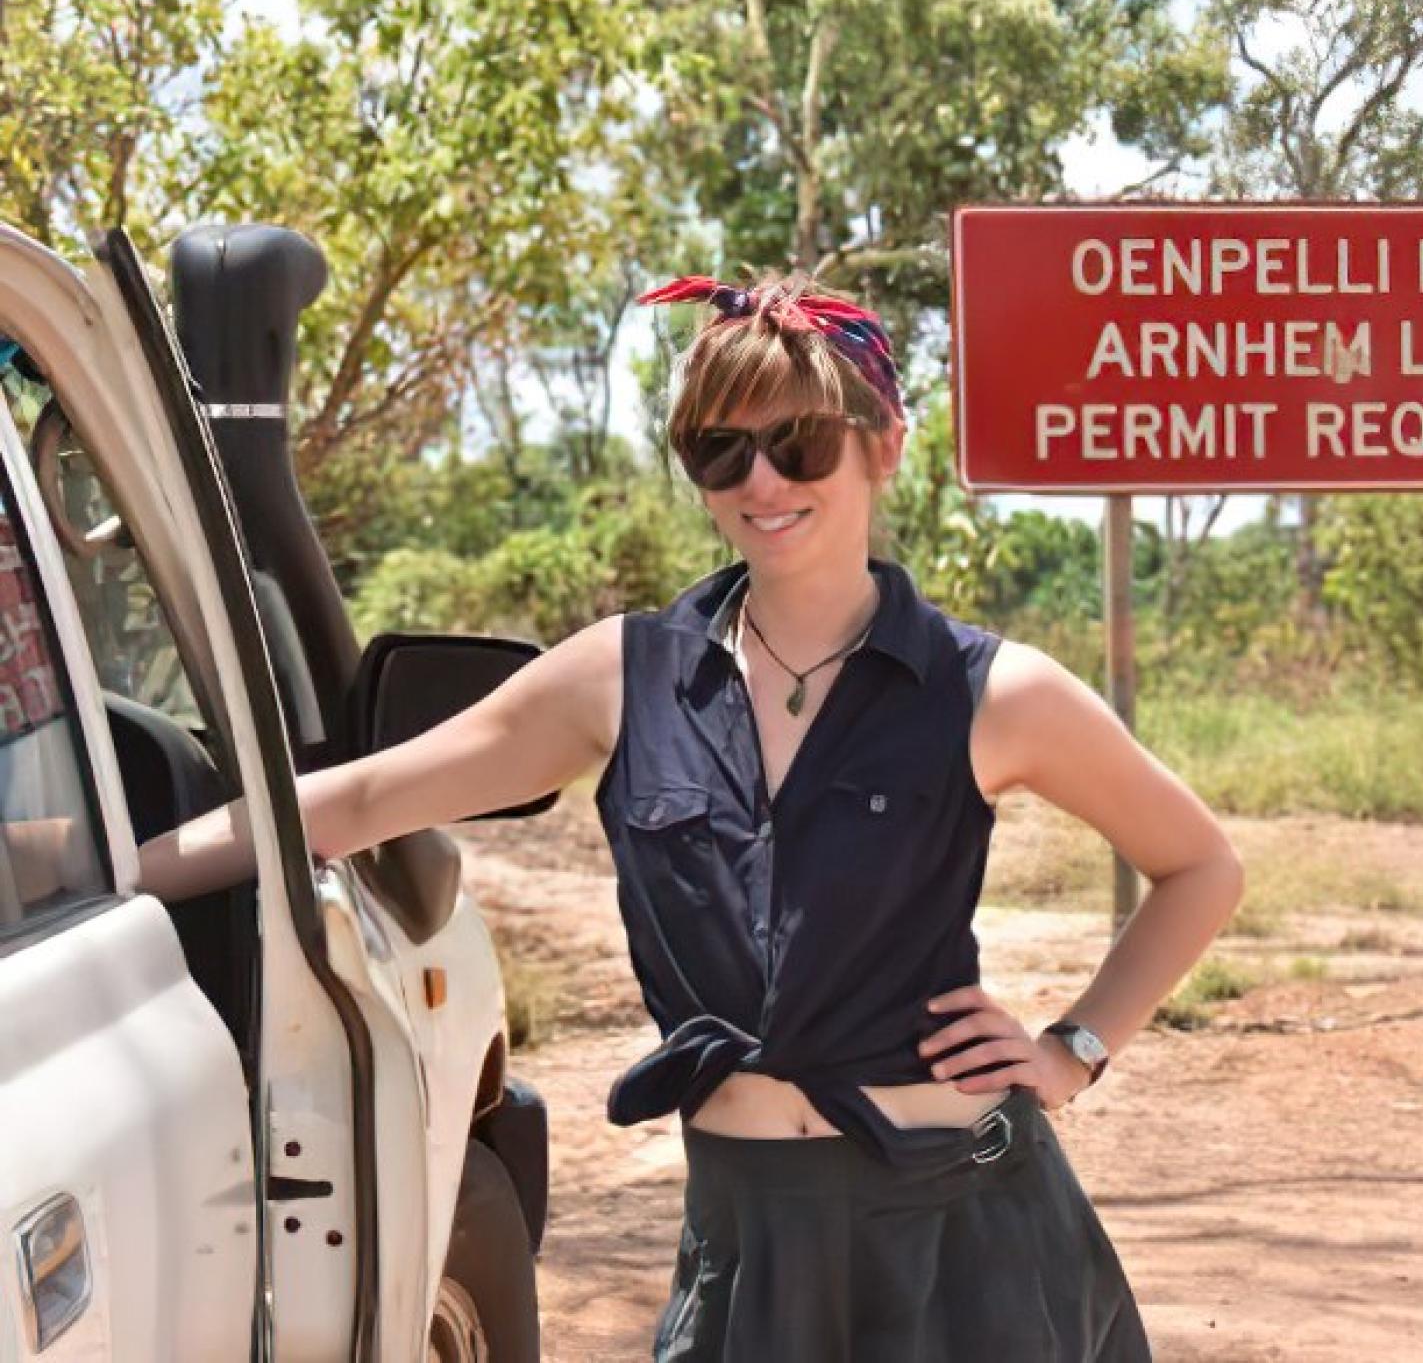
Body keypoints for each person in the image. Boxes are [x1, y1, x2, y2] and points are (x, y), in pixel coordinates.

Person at [139, 272, 1245, 1361]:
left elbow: (1199, 865)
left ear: (883, 443)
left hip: (958, 1245)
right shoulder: (623, 677)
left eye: (799, 443)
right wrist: (103, 870)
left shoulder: (989, 690)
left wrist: (1072, 1047)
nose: (760, 479)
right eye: (720, 450)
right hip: (746, 1249)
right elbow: (363, 797)